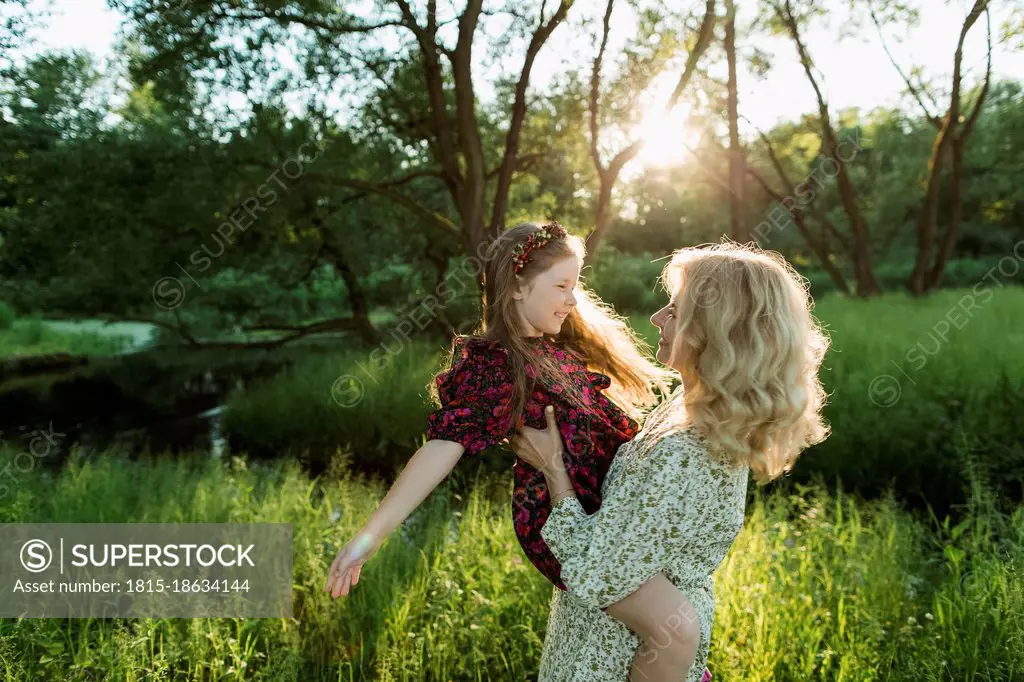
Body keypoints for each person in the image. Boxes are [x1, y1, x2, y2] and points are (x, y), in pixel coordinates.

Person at [324, 222, 711, 677]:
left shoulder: (550, 350)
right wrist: (368, 539)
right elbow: (442, 448)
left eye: (576, 284)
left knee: (672, 626)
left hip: (599, 514)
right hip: (564, 525)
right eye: (562, 286)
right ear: (516, 289)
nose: (573, 298)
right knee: (675, 630)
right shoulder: (496, 364)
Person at [509, 241, 831, 681]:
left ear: (718, 330)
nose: (657, 318)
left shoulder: (686, 451)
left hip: (611, 660)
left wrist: (554, 471)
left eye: (675, 311)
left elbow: (593, 573)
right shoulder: (692, 411)